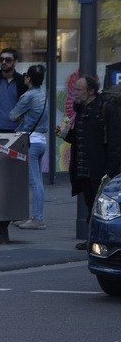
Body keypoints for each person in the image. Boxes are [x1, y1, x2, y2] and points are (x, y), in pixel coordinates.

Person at [61, 75, 107, 250]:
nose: (75, 93)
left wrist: (109, 168)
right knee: (90, 204)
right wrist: (64, 134)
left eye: (79, 89)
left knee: (99, 205)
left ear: (90, 91)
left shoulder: (101, 110)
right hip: (82, 167)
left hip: (96, 167)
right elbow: (79, 138)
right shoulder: (81, 110)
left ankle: (98, 241)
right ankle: (92, 240)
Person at [10, 64, 49, 230]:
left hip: (30, 141)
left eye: (26, 75)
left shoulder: (28, 96)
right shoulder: (43, 94)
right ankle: (27, 216)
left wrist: (22, 116)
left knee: (35, 181)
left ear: (28, 79)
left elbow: (12, 115)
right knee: (35, 180)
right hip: (41, 141)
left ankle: (37, 218)